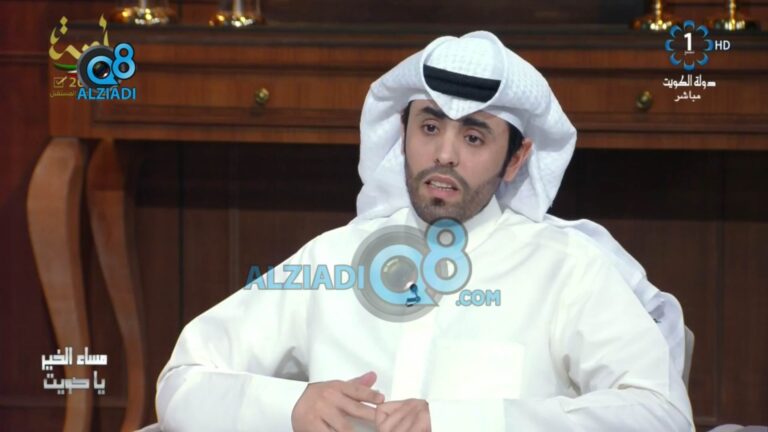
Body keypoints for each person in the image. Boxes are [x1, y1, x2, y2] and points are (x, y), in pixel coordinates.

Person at [156, 31, 694, 432]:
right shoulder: (333, 258)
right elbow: (183, 382)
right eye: (430, 127)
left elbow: (661, 413)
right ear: (403, 133)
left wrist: (461, 422)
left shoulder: (566, 267)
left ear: (516, 158)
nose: (444, 154)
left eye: (474, 137)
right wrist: (292, 407)